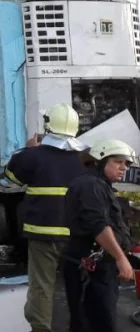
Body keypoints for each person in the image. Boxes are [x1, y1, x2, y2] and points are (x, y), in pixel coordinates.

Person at [5, 103, 86, 332]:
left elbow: (12, 176)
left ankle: (41, 328)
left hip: (43, 234)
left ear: (48, 126)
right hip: (76, 235)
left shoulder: (34, 155)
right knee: (78, 286)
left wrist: (28, 149)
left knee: (42, 286)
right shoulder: (83, 159)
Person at [63, 139, 136, 332]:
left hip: (98, 266)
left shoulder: (99, 185)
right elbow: (98, 226)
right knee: (97, 323)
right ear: (102, 160)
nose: (124, 168)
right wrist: (121, 258)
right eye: (118, 162)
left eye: (126, 164)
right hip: (92, 269)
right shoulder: (91, 186)